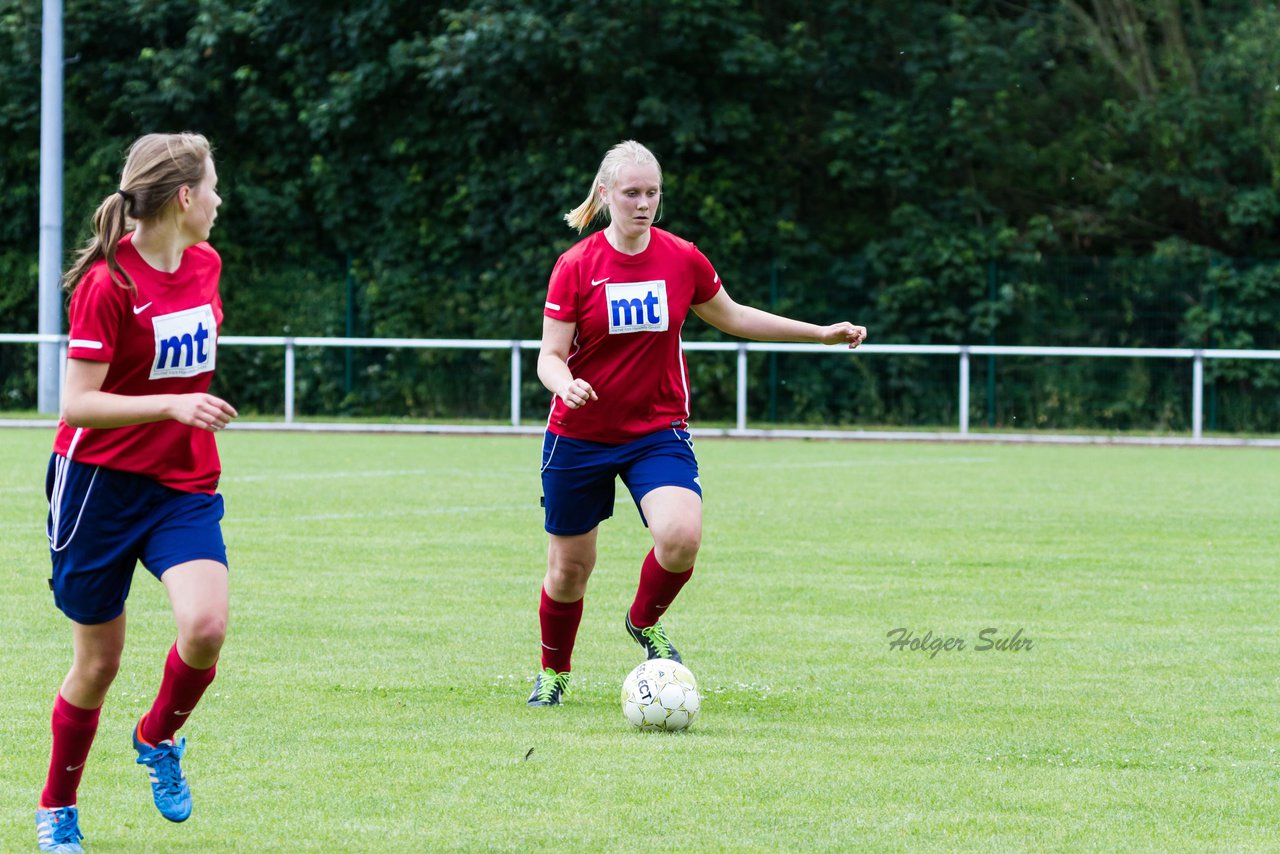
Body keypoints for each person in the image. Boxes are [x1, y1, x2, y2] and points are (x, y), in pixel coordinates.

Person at [527, 140, 867, 706]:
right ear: (606, 194)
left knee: (681, 538)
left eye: (652, 193)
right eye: (631, 193)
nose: (643, 204)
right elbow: (549, 356)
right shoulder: (576, 266)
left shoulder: (682, 257)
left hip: (656, 431)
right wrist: (565, 385)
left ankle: (642, 620)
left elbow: (732, 315)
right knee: (569, 572)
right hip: (580, 435)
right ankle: (554, 672)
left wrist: (820, 332)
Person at [36, 132, 236, 853]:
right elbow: (76, 405)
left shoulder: (208, 265)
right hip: (97, 490)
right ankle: (58, 806)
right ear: (184, 198)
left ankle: (158, 740)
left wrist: (181, 413)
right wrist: (171, 405)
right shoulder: (106, 284)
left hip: (181, 483)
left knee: (207, 625)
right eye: (212, 187)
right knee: (99, 663)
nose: (219, 201)